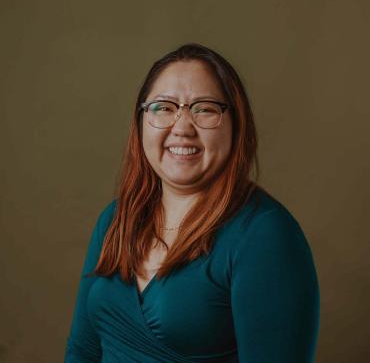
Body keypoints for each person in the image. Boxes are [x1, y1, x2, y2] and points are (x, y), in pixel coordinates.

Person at [64, 43, 320, 363]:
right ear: (142, 120)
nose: (182, 128)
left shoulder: (266, 235)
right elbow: (82, 350)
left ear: (235, 124)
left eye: (204, 109)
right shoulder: (116, 219)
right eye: (164, 107)